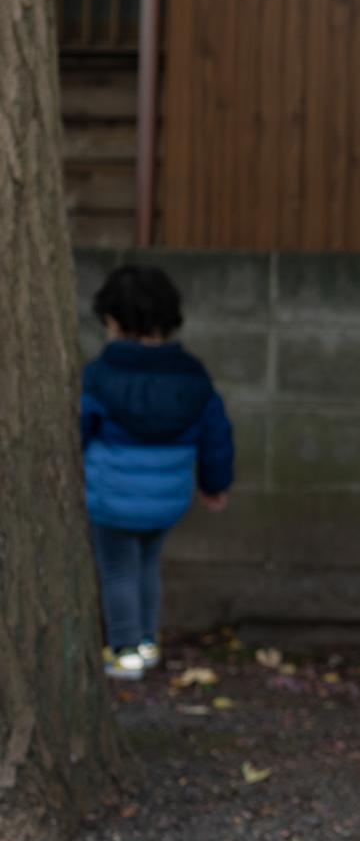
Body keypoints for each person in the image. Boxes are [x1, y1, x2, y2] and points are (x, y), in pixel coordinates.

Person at [80, 265, 234, 679]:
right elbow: (216, 433)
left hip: (111, 495)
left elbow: (80, 427)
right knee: (147, 564)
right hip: (168, 497)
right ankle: (147, 643)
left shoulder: (99, 376)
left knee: (117, 570)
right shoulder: (193, 376)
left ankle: (126, 649)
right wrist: (214, 484)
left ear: (112, 321)